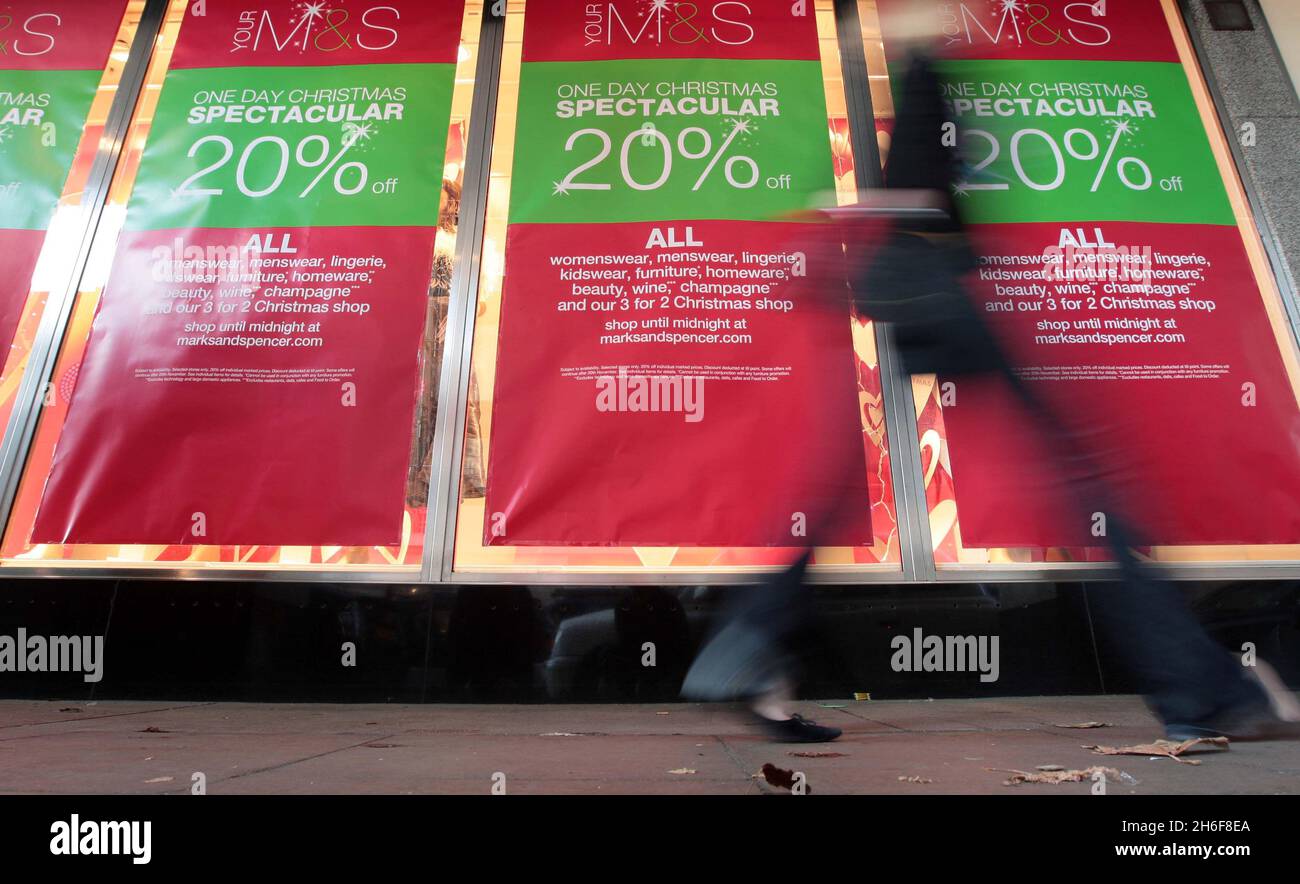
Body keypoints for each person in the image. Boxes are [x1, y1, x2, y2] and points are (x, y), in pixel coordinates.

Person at [682, 39, 1300, 744]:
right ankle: (1204, 691)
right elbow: (919, 188)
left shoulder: (922, 57)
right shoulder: (926, 58)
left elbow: (915, 187)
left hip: (912, 283)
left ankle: (750, 648)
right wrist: (868, 218)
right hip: (932, 286)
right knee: (1084, 478)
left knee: (845, 478)